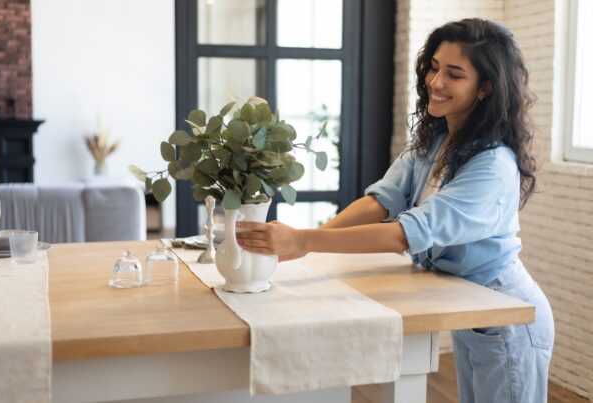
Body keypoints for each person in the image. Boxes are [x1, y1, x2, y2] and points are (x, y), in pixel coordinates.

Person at [236, 18, 554, 403]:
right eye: (434, 67)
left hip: (504, 310)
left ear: (485, 88)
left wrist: (303, 240)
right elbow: (381, 201)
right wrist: (306, 247)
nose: (435, 82)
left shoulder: (493, 165)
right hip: (470, 304)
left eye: (454, 74)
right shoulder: (438, 140)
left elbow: (404, 234)